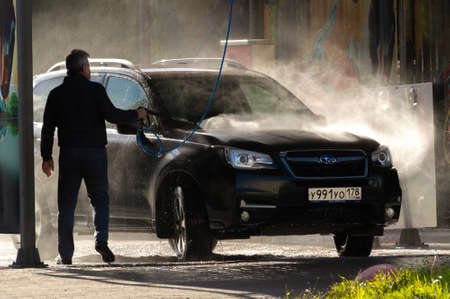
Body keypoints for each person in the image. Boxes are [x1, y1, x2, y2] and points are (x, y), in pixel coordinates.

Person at [41, 49, 147, 264]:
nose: (90, 70)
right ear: (83, 68)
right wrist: (136, 114)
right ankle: (101, 241)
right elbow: (113, 115)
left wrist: (46, 156)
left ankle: (66, 255)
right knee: (100, 200)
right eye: (88, 66)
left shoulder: (56, 94)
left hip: (69, 154)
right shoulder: (96, 90)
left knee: (67, 205)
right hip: (96, 154)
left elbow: (47, 129)